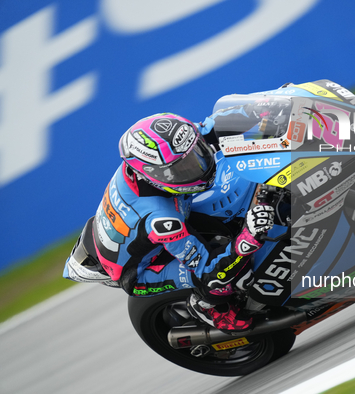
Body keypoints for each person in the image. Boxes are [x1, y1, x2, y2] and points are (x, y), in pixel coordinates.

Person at [63, 113, 274, 332]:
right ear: (155, 175)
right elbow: (208, 268)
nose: (198, 165)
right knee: (223, 278)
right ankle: (208, 306)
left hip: (144, 221)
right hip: (143, 271)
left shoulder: (171, 148)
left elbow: (214, 125)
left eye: (196, 154)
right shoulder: (161, 219)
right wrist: (250, 236)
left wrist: (268, 110)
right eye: (183, 168)